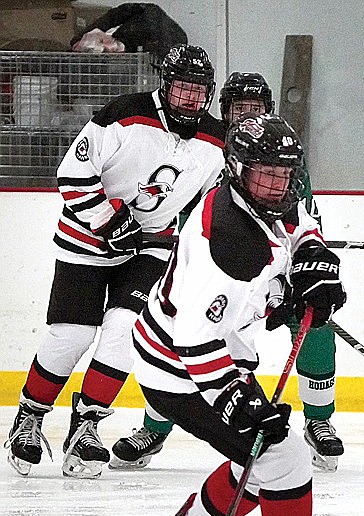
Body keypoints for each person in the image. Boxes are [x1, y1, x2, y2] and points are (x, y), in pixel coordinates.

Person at [136, 113, 356, 516]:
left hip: (214, 347)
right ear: (237, 167)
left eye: (285, 173)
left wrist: (312, 259)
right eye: (266, 174)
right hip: (177, 365)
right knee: (283, 458)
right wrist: (235, 396)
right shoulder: (230, 241)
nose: (277, 184)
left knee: (257, 457)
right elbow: (195, 337)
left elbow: (298, 219)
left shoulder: (264, 195)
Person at [4, 44, 226, 478]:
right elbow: (72, 174)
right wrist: (109, 218)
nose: (190, 99)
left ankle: (86, 426)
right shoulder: (124, 114)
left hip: (151, 246)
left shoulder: (215, 142)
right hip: (85, 238)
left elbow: (217, 204)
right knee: (72, 333)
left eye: (198, 91)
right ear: (166, 85)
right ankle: (29, 416)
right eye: (182, 88)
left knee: (126, 329)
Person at [110, 72, 345, 472]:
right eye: (239, 109)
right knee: (183, 336)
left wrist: (309, 260)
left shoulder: (279, 161)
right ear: (224, 111)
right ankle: (156, 426)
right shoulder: (202, 150)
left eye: (256, 109)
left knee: (313, 329)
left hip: (266, 276)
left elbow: (301, 222)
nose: (247, 116)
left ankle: (319, 422)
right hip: (207, 269)